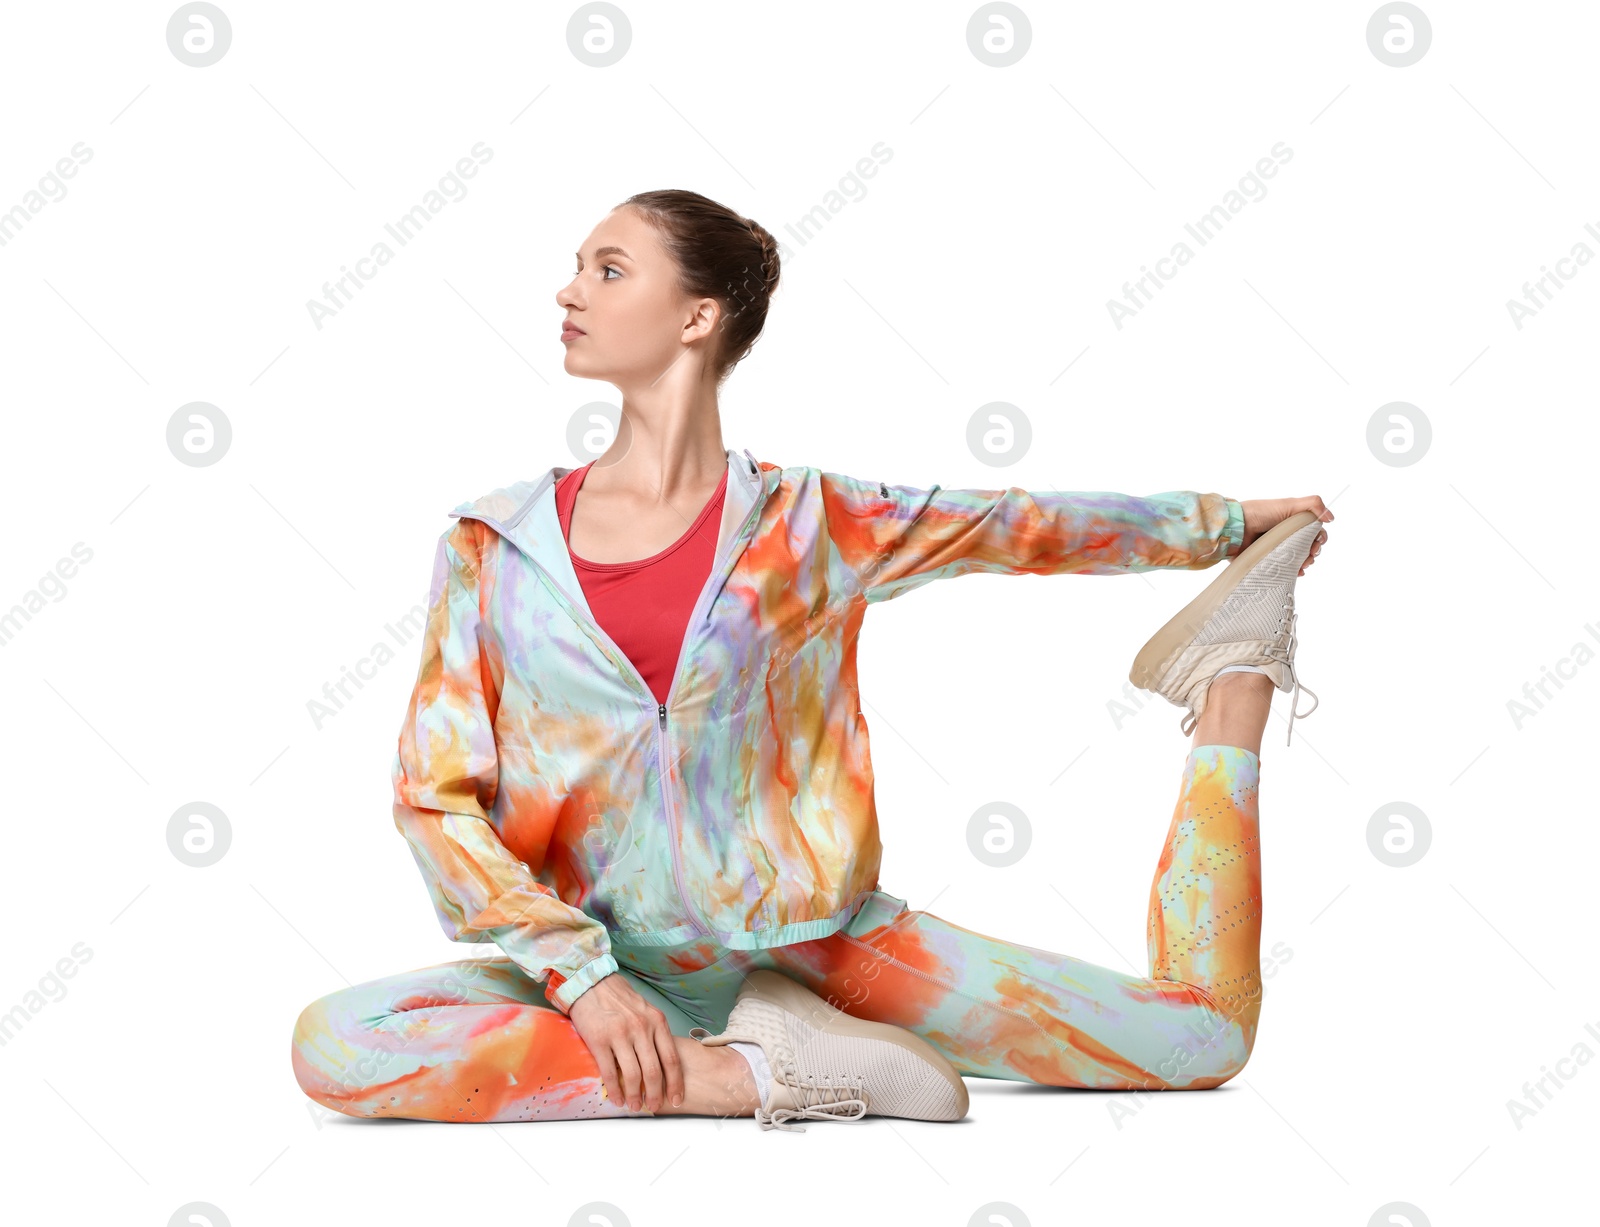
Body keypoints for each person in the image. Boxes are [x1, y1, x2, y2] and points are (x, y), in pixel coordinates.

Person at [290, 189, 1332, 1132]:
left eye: (608, 269)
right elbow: (434, 795)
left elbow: (1013, 526)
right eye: (577, 266)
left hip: (827, 950)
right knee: (336, 1043)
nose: (568, 290)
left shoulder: (810, 523)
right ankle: (754, 1071)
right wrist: (580, 976)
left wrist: (1225, 524)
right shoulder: (494, 545)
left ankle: (1231, 681)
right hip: (607, 971)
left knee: (1200, 1040)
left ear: (697, 318)